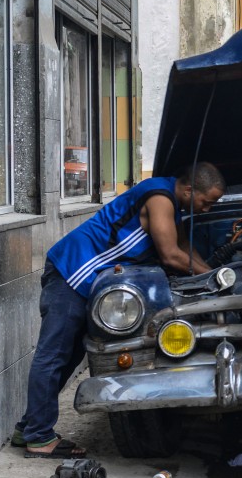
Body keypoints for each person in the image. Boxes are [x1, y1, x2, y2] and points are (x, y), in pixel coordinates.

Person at [15, 162, 227, 458]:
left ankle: (29, 428)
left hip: (90, 281)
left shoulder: (170, 198)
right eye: (208, 201)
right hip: (73, 272)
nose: (208, 208)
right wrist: (212, 279)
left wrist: (216, 275)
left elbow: (184, 246)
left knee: (69, 357)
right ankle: (38, 438)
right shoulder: (159, 198)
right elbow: (170, 255)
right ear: (190, 190)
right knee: (53, 356)